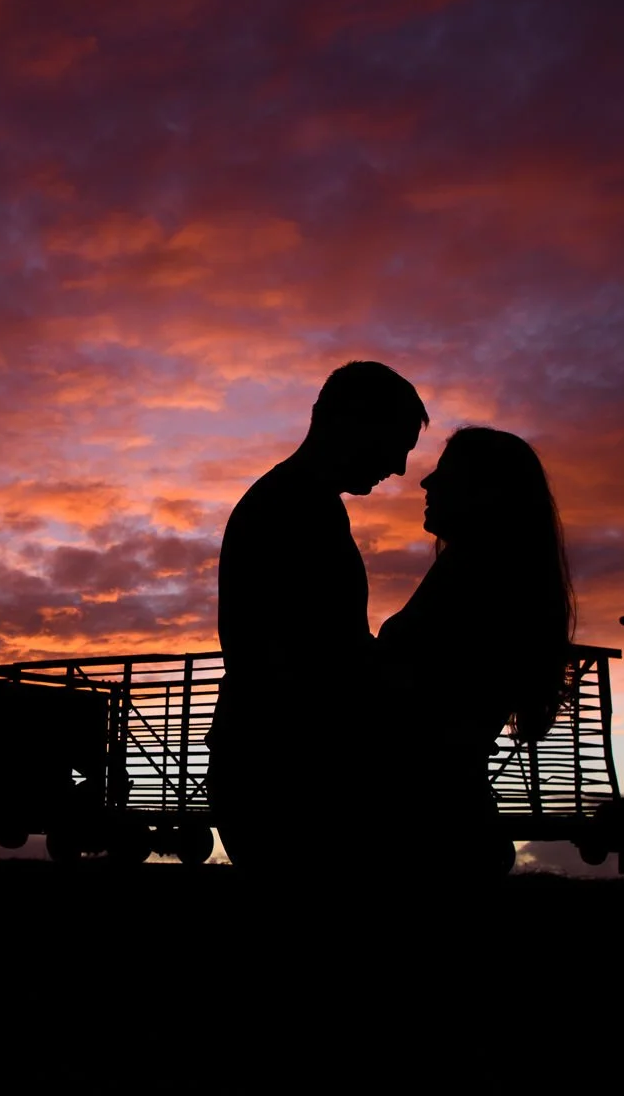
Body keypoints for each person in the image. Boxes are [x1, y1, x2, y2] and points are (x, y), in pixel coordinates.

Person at [209, 361, 429, 873]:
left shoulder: (292, 502)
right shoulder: (297, 509)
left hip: (270, 762)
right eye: (395, 443)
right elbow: (313, 656)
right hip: (287, 771)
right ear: (353, 423)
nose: (398, 467)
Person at [375, 427, 574, 878]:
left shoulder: (476, 581)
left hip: (433, 831)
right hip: (451, 822)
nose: (426, 483)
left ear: (485, 492)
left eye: (445, 474)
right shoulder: (487, 575)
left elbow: (420, 702)